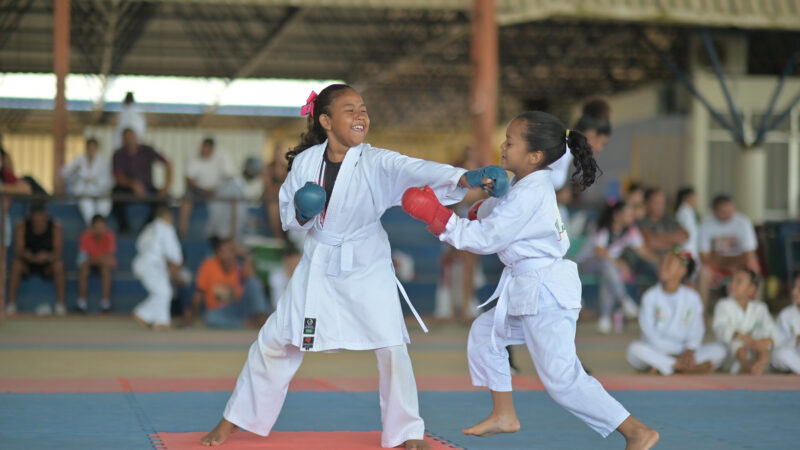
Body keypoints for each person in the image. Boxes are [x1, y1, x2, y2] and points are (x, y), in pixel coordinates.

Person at [200, 84, 504, 449]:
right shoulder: (305, 162)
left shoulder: (375, 161)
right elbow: (290, 220)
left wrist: (466, 178)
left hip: (366, 264)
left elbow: (415, 169)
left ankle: (407, 432)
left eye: (363, 109)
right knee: (275, 339)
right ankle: (235, 418)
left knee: (392, 347)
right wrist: (302, 211)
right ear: (326, 120)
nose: (361, 115)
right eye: (350, 110)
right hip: (319, 262)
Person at [402, 111, 658, 449]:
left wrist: (437, 217)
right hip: (530, 287)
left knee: (562, 380)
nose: (503, 147)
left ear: (534, 155)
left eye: (510, 142)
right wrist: (483, 202)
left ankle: (636, 431)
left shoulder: (529, 193)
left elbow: (484, 239)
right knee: (485, 333)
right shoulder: (523, 188)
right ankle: (504, 413)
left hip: (545, 290)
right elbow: (490, 218)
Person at [627, 250, 726, 375]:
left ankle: (666, 365)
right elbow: (649, 332)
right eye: (662, 262)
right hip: (658, 349)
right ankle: (683, 366)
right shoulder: (650, 296)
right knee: (634, 350)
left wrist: (690, 349)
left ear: (682, 270)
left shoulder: (692, 297)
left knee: (721, 350)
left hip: (684, 351)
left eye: (669, 263)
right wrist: (671, 354)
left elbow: (697, 330)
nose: (663, 266)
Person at [576, 201, 658, 334]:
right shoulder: (602, 227)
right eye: (629, 214)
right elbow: (599, 252)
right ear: (617, 215)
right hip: (585, 265)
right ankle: (624, 300)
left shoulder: (631, 230)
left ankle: (605, 317)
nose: (632, 217)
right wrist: (620, 264)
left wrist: (660, 261)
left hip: (607, 267)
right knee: (607, 265)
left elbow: (643, 251)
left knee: (607, 272)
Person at [190, 238, 270, 329]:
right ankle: (244, 324)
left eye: (231, 251)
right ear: (218, 253)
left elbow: (253, 281)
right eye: (225, 251)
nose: (229, 255)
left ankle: (262, 318)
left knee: (254, 283)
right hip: (220, 311)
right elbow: (199, 292)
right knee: (210, 318)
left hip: (240, 306)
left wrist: (245, 256)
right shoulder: (208, 265)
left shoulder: (239, 265)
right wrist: (192, 314)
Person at [698, 195, 760, 310]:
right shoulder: (706, 223)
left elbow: (749, 255)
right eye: (723, 211)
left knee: (753, 267)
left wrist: (721, 259)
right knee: (703, 271)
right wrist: (728, 262)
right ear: (714, 211)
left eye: (730, 210)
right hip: (717, 268)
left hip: (740, 266)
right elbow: (704, 257)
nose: (727, 214)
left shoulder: (743, 222)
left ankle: (755, 311)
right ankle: (702, 312)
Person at [6, 203, 66, 316]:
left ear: (46, 216)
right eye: (36, 217)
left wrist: (47, 257)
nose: (39, 220)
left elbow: (58, 253)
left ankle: (60, 306)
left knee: (59, 265)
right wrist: (28, 256)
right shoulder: (22, 226)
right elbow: (18, 251)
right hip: (28, 262)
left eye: (42, 217)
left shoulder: (55, 227)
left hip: (47, 263)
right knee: (16, 265)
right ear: (31, 216)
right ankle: (11, 305)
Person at [712, 269, 775, 375]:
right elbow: (720, 327)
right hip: (733, 354)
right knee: (737, 340)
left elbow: (771, 329)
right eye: (731, 280)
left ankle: (760, 364)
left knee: (762, 336)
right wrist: (741, 336)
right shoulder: (723, 304)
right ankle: (745, 364)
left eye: (738, 282)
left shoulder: (760, 308)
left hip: (754, 350)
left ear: (751, 289)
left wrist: (761, 341)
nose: (732, 284)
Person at [111, 129, 173, 233]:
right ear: (123, 140)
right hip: (127, 188)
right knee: (116, 195)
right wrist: (133, 184)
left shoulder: (147, 150)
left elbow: (167, 164)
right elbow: (118, 177)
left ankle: (148, 227)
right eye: (127, 138)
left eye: (132, 137)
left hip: (148, 188)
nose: (130, 140)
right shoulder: (118, 154)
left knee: (163, 201)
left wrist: (166, 186)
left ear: (136, 138)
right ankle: (124, 228)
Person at [132, 205, 183, 330]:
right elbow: (174, 252)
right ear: (168, 217)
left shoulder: (149, 228)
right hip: (152, 264)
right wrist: (177, 262)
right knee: (163, 292)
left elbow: (139, 245)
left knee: (164, 291)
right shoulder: (165, 228)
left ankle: (161, 322)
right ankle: (142, 313)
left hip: (143, 263)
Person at [549, 98, 611, 190]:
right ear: (592, 134)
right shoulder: (560, 146)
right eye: (602, 143)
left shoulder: (565, 148)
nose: (600, 149)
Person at [178, 138, 235, 237]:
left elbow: (229, 176)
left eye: (207, 148)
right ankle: (183, 229)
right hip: (198, 191)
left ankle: (231, 233)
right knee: (186, 198)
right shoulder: (194, 158)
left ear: (212, 149)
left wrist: (217, 188)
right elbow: (189, 179)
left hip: (218, 191)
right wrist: (203, 190)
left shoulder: (222, 157)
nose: (204, 151)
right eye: (203, 148)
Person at [205, 157, 262, 240]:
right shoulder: (234, 185)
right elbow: (232, 215)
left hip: (229, 234)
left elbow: (241, 215)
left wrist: (250, 221)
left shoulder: (240, 185)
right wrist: (232, 240)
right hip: (222, 236)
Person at [61, 138, 113, 224]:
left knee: (103, 207)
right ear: (86, 148)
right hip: (84, 192)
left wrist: (95, 180)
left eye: (93, 147)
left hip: (100, 192)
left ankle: (100, 227)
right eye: (90, 147)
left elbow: (108, 181)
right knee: (87, 207)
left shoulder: (103, 162)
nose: (91, 150)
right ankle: (91, 227)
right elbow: (64, 173)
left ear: (97, 148)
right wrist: (74, 169)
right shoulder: (79, 160)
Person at [76, 215, 116, 312]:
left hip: (101, 264)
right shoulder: (85, 236)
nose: (100, 230)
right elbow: (82, 260)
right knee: (83, 270)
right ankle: (81, 304)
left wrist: (93, 259)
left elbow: (109, 258)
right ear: (92, 228)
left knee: (106, 270)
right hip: (89, 264)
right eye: (97, 228)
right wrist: (98, 259)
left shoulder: (110, 236)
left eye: (102, 228)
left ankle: (105, 304)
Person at [637, 188, 688, 264]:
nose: (661, 206)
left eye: (663, 203)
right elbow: (651, 242)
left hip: (673, 261)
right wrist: (672, 242)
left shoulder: (668, 219)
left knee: (688, 261)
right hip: (653, 263)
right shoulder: (641, 222)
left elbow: (685, 235)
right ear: (647, 204)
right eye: (657, 203)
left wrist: (658, 237)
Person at [772, 274, 800, 374]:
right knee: (779, 354)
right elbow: (778, 343)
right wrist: (796, 340)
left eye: (799, 289)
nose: (794, 292)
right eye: (794, 288)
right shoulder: (786, 314)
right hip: (793, 355)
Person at [262, 143, 290, 241]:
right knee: (273, 206)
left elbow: (289, 186)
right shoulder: (268, 168)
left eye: (280, 153)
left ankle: (285, 236)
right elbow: (268, 187)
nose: (278, 155)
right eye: (276, 153)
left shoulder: (286, 168)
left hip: (283, 198)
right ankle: (277, 235)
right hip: (272, 198)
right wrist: (280, 188)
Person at [674, 187, 699, 260]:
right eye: (693, 197)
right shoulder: (682, 212)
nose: (696, 200)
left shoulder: (689, 211)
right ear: (685, 197)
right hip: (686, 248)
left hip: (692, 248)